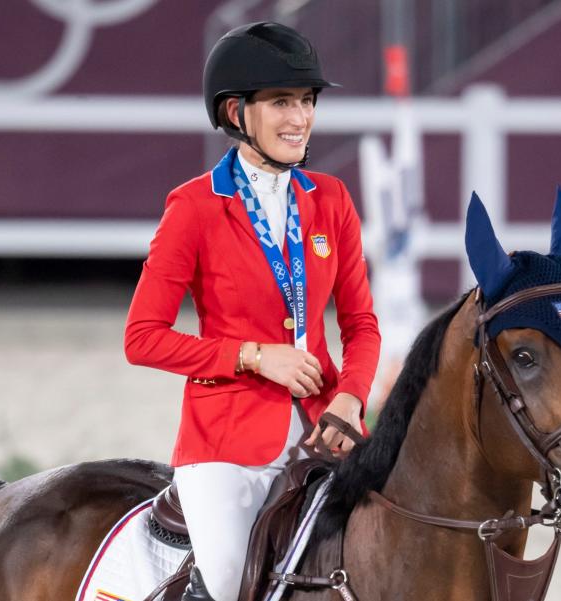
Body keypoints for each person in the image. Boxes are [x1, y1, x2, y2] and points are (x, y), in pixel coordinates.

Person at [124, 21, 380, 601]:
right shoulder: (193, 207)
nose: (301, 118)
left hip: (327, 426)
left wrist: (352, 395)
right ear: (237, 113)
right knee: (225, 584)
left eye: (307, 101)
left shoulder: (332, 199)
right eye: (282, 102)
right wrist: (252, 356)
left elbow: (361, 324)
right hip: (225, 443)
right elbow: (141, 337)